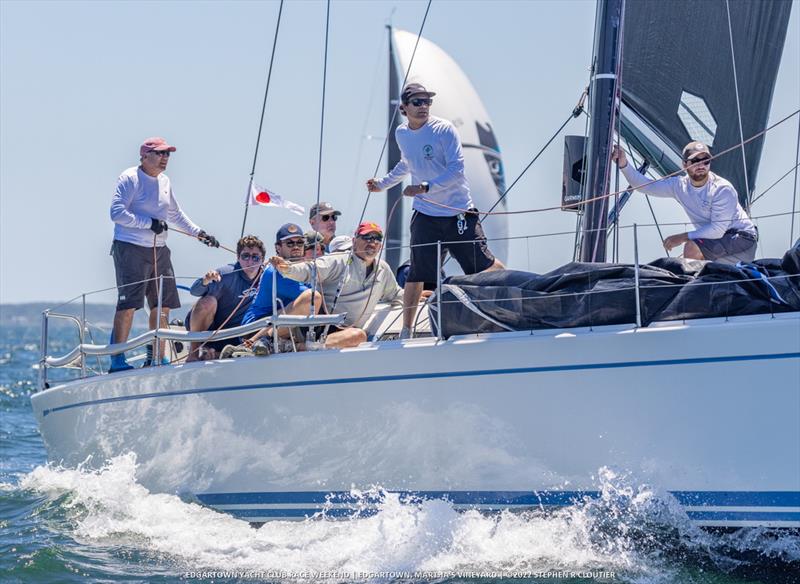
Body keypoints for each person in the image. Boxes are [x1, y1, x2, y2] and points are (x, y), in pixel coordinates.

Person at [366, 83, 504, 339]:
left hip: (458, 212)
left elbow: (457, 170)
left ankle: (508, 299)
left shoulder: (443, 129)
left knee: (485, 267)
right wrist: (382, 184)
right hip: (426, 214)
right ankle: (407, 331)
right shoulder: (402, 133)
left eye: (427, 102)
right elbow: (406, 163)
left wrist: (425, 187)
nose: (423, 107)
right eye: (417, 102)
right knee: (418, 272)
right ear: (404, 107)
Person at [109, 136, 219, 372]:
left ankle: (156, 357)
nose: (164, 158)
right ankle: (117, 360)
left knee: (163, 305)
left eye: (167, 154)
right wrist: (147, 223)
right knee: (128, 306)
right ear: (144, 155)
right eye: (159, 153)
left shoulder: (165, 181)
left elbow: (175, 214)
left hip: (159, 250)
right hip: (130, 248)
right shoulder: (130, 177)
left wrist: (199, 233)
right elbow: (117, 213)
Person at [612, 141, 758, 263]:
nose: (701, 165)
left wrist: (681, 237)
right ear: (684, 164)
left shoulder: (722, 189)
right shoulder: (679, 186)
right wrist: (624, 164)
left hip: (743, 240)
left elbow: (717, 229)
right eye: (695, 161)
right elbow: (645, 186)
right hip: (718, 242)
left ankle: (695, 291)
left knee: (692, 248)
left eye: (705, 161)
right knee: (680, 263)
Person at [271, 221, 403, 349]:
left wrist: (416, 294)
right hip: (316, 327)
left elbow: (396, 293)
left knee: (359, 335)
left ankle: (296, 347)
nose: (372, 242)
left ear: (380, 245)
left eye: (377, 238)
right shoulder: (339, 260)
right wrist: (287, 268)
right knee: (312, 296)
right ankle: (269, 339)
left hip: (344, 334)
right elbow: (310, 269)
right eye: (367, 237)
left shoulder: (383, 269)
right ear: (354, 241)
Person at [236, 223, 321, 354]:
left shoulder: (303, 271)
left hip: (284, 329)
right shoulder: (275, 272)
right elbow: (311, 300)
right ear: (278, 248)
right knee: (312, 297)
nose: (296, 247)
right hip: (255, 329)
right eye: (290, 243)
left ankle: (293, 346)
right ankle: (259, 341)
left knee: (357, 335)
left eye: (300, 242)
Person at [185, 235, 265, 362]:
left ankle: (215, 353)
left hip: (239, 333)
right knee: (208, 302)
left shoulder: (267, 277)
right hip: (212, 327)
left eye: (255, 257)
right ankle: (193, 354)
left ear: (262, 260)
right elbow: (194, 291)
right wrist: (205, 280)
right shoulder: (227, 273)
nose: (250, 262)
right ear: (238, 258)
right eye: (245, 256)